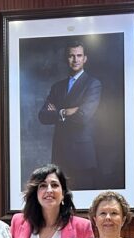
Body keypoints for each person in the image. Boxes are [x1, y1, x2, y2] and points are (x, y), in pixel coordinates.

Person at [38, 41, 103, 190]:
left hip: (82, 156)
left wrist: (56, 112)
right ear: (66, 59)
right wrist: (65, 111)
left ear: (85, 58)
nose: (75, 59)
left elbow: (83, 116)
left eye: (79, 55)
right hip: (60, 154)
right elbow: (43, 116)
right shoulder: (57, 87)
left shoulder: (93, 84)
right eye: (71, 56)